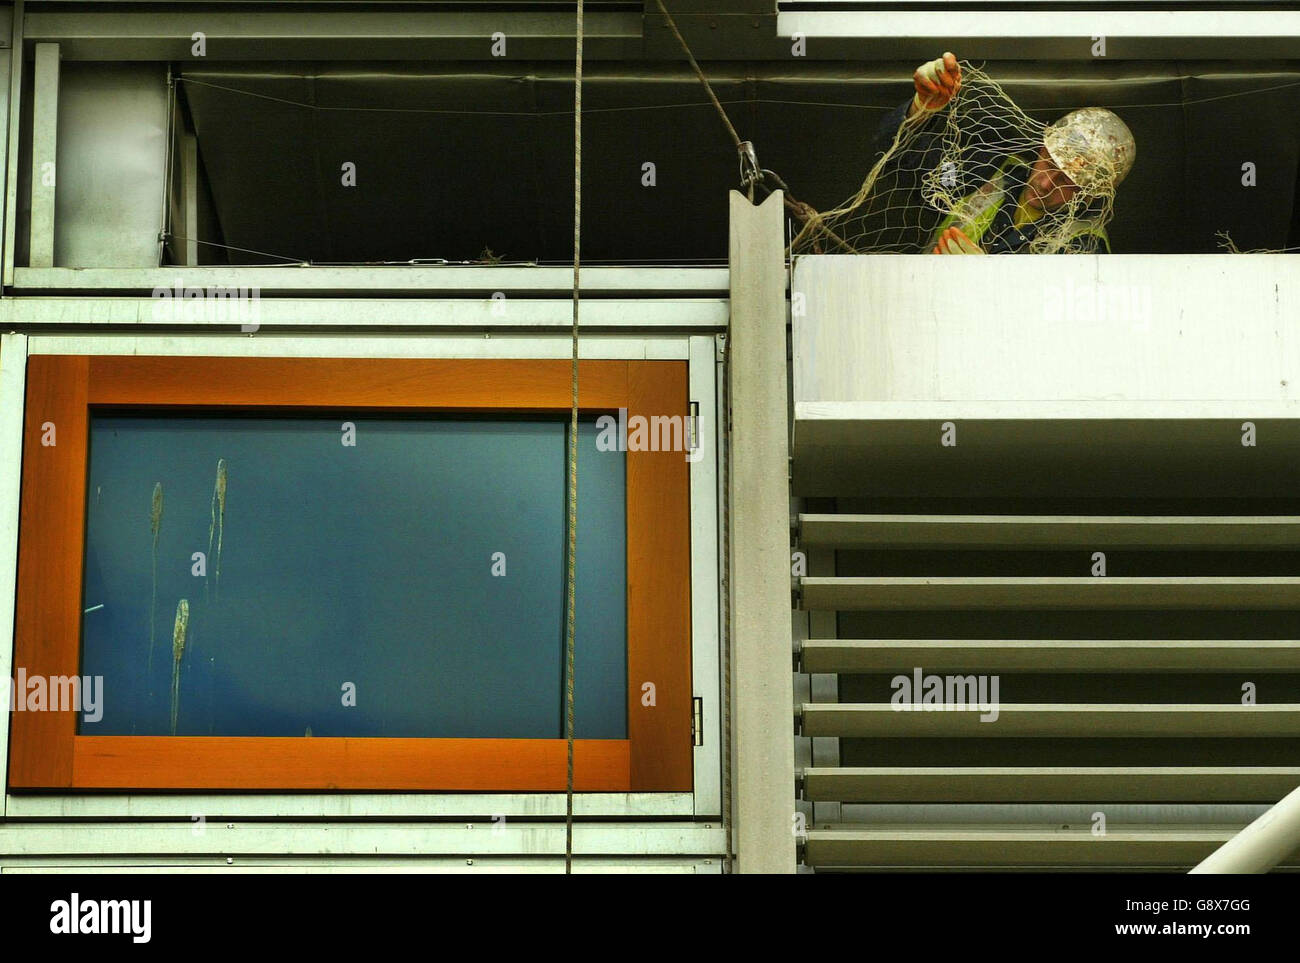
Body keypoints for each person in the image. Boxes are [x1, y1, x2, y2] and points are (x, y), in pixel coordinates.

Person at [872, 52, 1136, 254]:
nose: (1045, 184)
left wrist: (988, 283)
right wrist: (921, 108)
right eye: (1049, 162)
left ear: (1089, 197)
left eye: (1066, 181)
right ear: (1042, 146)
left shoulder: (1083, 247)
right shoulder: (985, 172)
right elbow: (897, 158)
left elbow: (1056, 321)